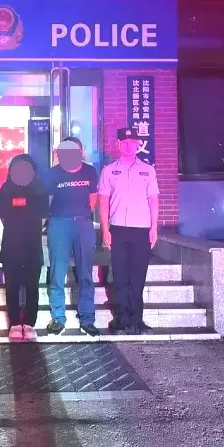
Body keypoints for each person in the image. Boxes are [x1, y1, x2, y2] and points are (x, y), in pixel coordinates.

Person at [98, 128, 160, 336]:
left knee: (138, 276)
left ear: (138, 144)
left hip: (141, 230)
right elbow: (103, 201)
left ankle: (137, 320)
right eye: (124, 142)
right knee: (120, 275)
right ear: (118, 145)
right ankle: (122, 320)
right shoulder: (109, 171)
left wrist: (154, 228)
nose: (128, 145)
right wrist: (105, 229)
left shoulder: (148, 170)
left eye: (132, 142)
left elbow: (153, 199)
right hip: (118, 230)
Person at [43, 138, 101, 337]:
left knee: (86, 273)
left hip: (83, 224)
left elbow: (92, 199)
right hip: (59, 223)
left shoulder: (90, 171)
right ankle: (58, 318)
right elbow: (47, 200)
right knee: (57, 272)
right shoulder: (53, 173)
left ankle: (87, 319)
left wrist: (81, 216)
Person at [0, 154, 49, 341]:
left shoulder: (40, 189)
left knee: (32, 286)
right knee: (11, 286)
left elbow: (43, 217)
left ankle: (28, 323)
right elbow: (3, 215)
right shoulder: (6, 188)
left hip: (32, 245)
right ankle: (14, 323)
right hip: (11, 244)